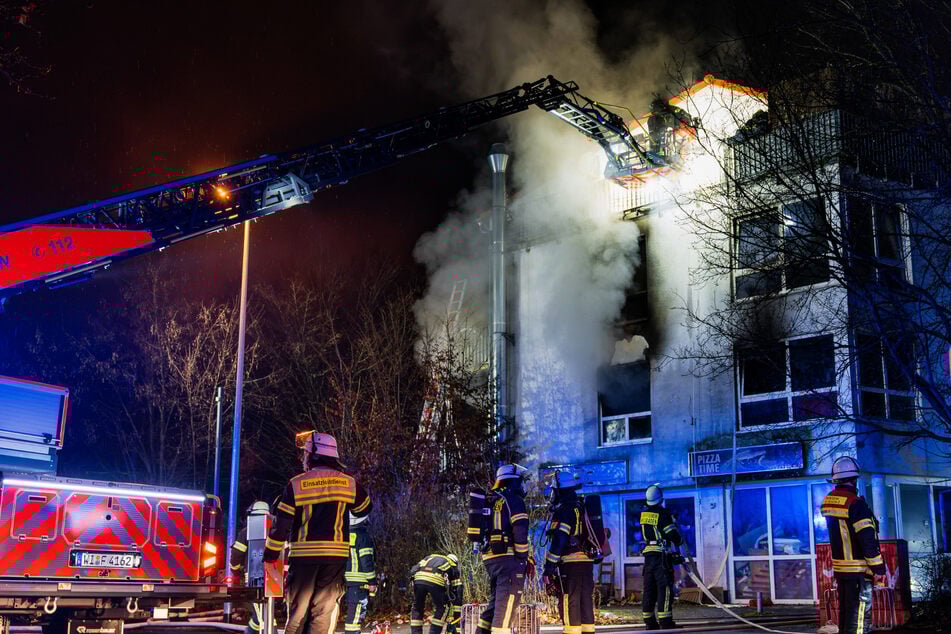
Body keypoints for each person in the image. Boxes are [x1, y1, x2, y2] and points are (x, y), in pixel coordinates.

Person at [264, 431, 372, 634]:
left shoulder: (296, 484)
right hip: (335, 559)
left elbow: (282, 525)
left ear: (313, 454)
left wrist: (270, 554)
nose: (303, 458)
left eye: (305, 454)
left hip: (303, 558)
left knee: (298, 613)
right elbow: (364, 508)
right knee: (324, 612)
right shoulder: (348, 483)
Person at [821, 456, 886, 634]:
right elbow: (867, 539)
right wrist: (878, 568)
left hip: (842, 572)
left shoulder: (829, 501)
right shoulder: (856, 505)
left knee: (846, 616)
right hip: (859, 572)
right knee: (858, 619)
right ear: (854, 479)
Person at [477, 464, 531, 634]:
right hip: (509, 561)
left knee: (496, 604)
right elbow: (520, 529)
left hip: (490, 559)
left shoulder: (491, 499)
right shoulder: (514, 500)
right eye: (520, 482)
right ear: (513, 481)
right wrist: (523, 558)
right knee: (506, 608)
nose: (522, 486)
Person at [543, 471, 595, 634]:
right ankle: (588, 631)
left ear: (559, 490)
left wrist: (549, 568)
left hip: (570, 563)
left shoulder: (564, 510)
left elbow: (559, 540)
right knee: (585, 598)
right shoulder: (580, 506)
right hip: (586, 561)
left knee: (569, 599)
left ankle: (571, 632)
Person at [638, 484, 682, 630]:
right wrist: (679, 538)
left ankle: (649, 621)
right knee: (664, 588)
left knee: (649, 588)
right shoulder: (663, 514)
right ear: (660, 499)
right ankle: (665, 621)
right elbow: (672, 535)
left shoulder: (643, 515)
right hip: (661, 556)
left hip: (648, 555)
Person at [230, 500, 272, 633]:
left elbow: (236, 555)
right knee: (262, 613)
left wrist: (235, 570)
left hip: (255, 580)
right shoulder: (276, 529)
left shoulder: (246, 531)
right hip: (276, 580)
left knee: (262, 614)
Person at [409, 553, 462, 634]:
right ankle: (434, 632)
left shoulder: (430, 557)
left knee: (417, 607)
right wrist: (456, 618)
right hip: (436, 578)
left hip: (418, 578)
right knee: (443, 607)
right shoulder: (452, 564)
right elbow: (458, 592)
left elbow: (414, 569)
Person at [344, 512, 377, 634]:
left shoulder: (343, 535)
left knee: (353, 613)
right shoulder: (363, 536)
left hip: (345, 580)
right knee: (355, 615)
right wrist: (372, 582)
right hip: (359, 582)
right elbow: (367, 561)